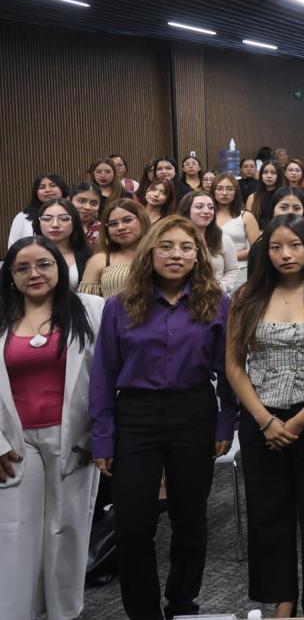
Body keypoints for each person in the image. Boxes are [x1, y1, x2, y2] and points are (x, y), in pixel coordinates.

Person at [89, 215, 235, 620]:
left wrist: (225, 423)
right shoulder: (120, 305)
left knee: (190, 519)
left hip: (195, 412)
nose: (176, 254)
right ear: (150, 252)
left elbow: (228, 371)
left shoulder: (216, 301)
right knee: (133, 525)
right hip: (136, 414)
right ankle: (144, 611)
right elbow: (102, 374)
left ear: (198, 255)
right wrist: (102, 436)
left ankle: (182, 603)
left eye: (186, 247)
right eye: (166, 246)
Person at [225, 215, 304, 618]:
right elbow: (233, 366)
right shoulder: (247, 296)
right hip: (261, 417)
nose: (285, 254)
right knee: (268, 510)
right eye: (277, 246)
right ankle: (282, 596)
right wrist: (265, 419)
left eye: (295, 245)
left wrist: (299, 421)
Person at [0, 236, 105, 620]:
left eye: (43, 264)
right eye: (22, 268)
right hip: (13, 443)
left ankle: (64, 612)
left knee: (67, 530)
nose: (34, 274)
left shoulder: (92, 310)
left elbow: (110, 378)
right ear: (10, 276)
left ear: (59, 268)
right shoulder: (1, 317)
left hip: (75, 439)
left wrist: (99, 435)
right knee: (14, 534)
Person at [79, 200, 149, 299]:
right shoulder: (99, 260)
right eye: (113, 224)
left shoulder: (158, 255)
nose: (120, 227)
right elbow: (87, 307)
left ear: (142, 219)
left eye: (127, 220)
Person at [176, 192, 239, 292]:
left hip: (215, 296)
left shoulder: (222, 239)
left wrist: (221, 287)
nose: (206, 211)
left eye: (211, 207)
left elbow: (232, 270)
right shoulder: (175, 238)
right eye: (199, 207)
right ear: (187, 210)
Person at [212, 172, 259, 291]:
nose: (224, 193)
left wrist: (228, 257)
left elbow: (257, 249)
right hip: (211, 271)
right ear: (213, 191)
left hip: (240, 271)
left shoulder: (246, 216)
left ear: (236, 192)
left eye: (229, 189)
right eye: (219, 188)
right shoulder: (206, 215)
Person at [33, 198, 93, 289]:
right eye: (47, 219)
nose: (55, 225)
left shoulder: (89, 255)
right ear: (39, 223)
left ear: (74, 222)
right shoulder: (26, 253)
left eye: (64, 219)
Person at [9, 174, 71, 247]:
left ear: (62, 189)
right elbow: (13, 246)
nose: (47, 190)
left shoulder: (73, 212)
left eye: (53, 186)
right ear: (36, 193)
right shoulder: (23, 217)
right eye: (42, 187)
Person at [246, 162, 284, 228]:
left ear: (279, 175)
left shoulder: (284, 196)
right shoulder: (252, 198)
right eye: (265, 172)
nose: (269, 176)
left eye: (273, 173)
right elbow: (248, 223)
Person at [70, 183, 104, 247]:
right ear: (70, 201)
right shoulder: (59, 226)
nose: (87, 207)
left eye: (94, 203)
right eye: (81, 201)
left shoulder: (104, 230)